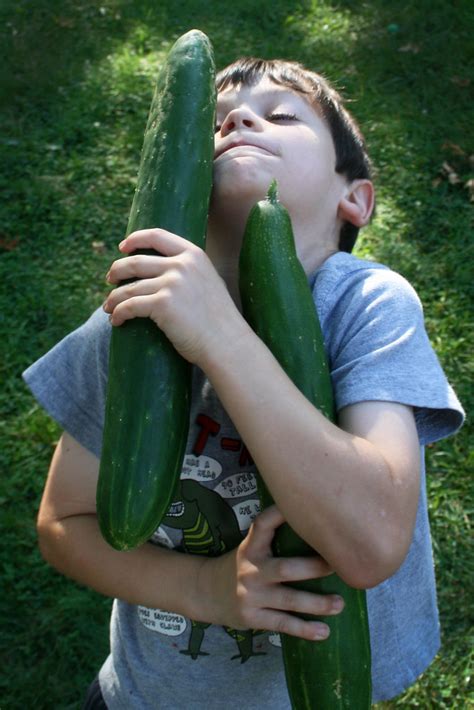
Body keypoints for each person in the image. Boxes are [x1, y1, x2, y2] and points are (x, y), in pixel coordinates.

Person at [23, 57, 464, 709]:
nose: (237, 117)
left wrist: (220, 336)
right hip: (145, 696)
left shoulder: (365, 306)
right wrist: (207, 590)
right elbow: (66, 524)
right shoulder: (128, 321)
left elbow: (369, 544)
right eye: (216, 121)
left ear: (355, 198)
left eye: (282, 114)